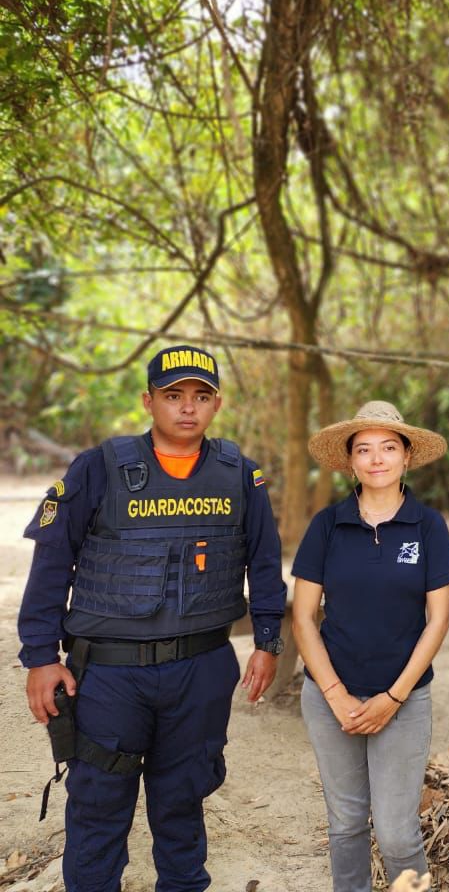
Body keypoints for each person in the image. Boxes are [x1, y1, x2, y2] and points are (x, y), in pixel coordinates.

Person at [18, 344, 286, 892]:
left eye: (201, 396)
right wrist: (41, 658)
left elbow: (263, 560)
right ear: (149, 401)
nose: (187, 407)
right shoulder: (99, 468)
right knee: (97, 806)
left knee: (183, 800)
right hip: (111, 674)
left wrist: (266, 639)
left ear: (216, 405)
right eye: (173, 395)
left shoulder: (241, 475)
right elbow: (51, 566)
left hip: (202, 668)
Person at [293, 400, 449, 892]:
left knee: (396, 831)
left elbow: (439, 619)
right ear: (350, 462)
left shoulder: (428, 526)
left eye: (389, 447)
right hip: (330, 699)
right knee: (345, 824)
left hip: (403, 700)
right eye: (364, 449)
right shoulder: (327, 526)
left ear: (407, 456)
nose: (377, 458)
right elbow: (303, 617)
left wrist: (393, 697)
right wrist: (335, 693)